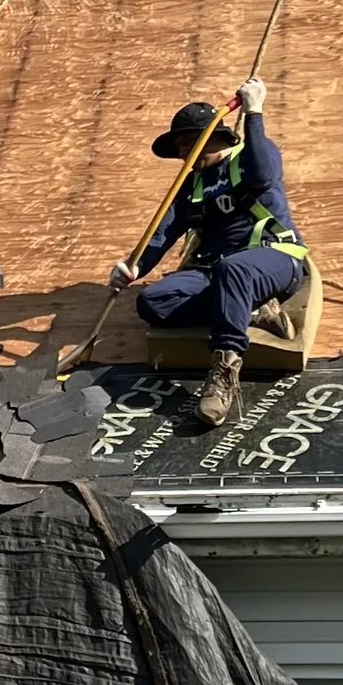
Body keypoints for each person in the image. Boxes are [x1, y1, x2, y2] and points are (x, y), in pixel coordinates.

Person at [110, 77, 309, 428]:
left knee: (235, 269)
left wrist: (254, 112)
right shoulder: (191, 185)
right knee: (154, 301)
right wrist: (133, 267)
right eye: (181, 148)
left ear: (214, 136)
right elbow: (164, 232)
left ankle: (224, 369)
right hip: (215, 271)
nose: (184, 154)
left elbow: (264, 174)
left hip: (274, 258)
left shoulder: (251, 155)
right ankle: (251, 311)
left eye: (190, 143)